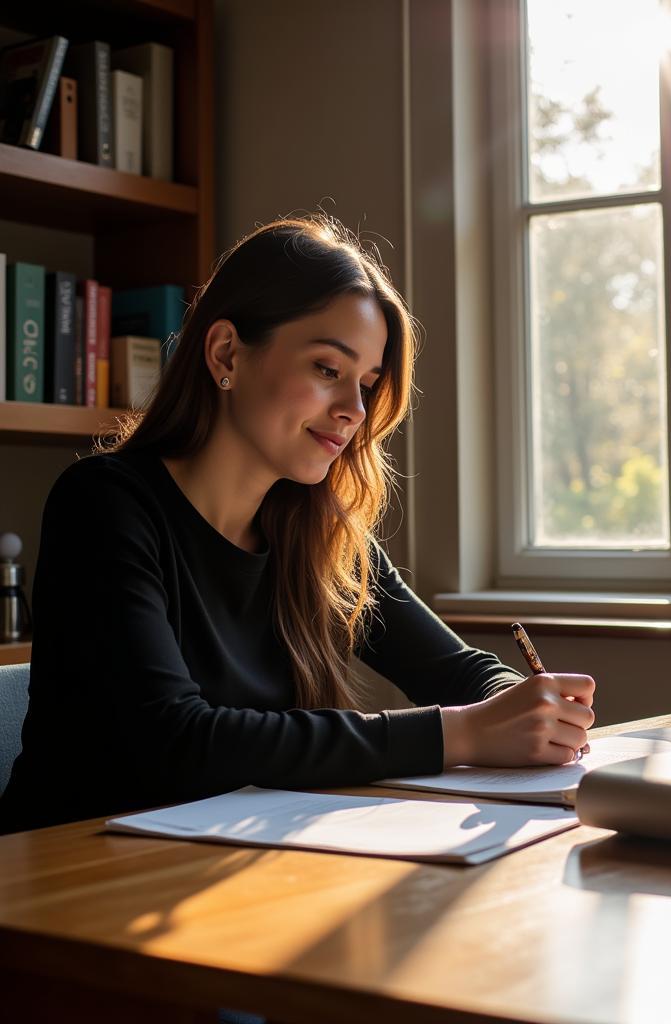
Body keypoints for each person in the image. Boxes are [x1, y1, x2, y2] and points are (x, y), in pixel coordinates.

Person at [0, 216, 596, 835]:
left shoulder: (318, 533)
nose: (354, 411)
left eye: (367, 383)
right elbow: (172, 740)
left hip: (225, 868)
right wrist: (465, 731)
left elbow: (456, 670)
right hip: (66, 879)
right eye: (326, 369)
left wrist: (532, 706)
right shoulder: (105, 504)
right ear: (226, 351)